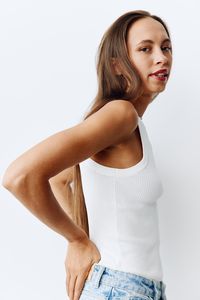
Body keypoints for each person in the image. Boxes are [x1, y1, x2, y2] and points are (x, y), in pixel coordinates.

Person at [2, 9, 172, 300]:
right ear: (117, 64)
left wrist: (79, 235)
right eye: (146, 49)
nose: (162, 57)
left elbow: (59, 178)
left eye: (166, 47)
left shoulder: (129, 125)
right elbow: (19, 176)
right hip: (122, 288)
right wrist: (77, 239)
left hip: (133, 288)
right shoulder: (121, 114)